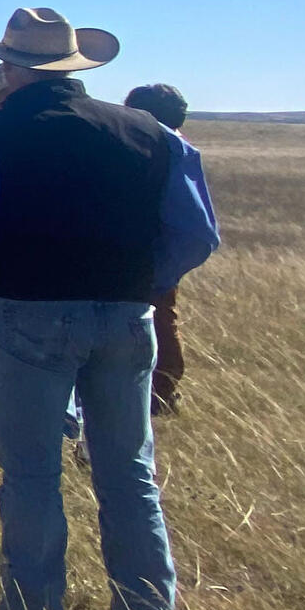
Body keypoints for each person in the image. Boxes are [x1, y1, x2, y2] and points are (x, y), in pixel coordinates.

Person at [0, 9, 219, 610]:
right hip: (127, 314)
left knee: (33, 476)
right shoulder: (154, 135)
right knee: (130, 475)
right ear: (75, 67)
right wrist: (145, 286)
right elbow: (196, 234)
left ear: (9, 67)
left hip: (27, 311)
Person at [124, 83, 192, 414]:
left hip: (113, 255)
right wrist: (166, 272)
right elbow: (199, 233)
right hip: (155, 260)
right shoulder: (177, 148)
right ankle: (159, 395)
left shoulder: (116, 141)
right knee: (162, 323)